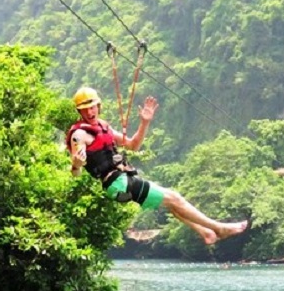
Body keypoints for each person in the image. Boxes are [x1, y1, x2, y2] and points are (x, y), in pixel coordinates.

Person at [66, 86, 248, 245]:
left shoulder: (104, 127)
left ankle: (206, 233)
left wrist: (145, 122)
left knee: (172, 203)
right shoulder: (79, 135)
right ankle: (219, 228)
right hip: (116, 184)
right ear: (79, 112)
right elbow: (76, 171)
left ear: (98, 106)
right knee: (175, 198)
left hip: (124, 179)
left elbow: (133, 145)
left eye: (93, 107)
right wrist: (76, 164)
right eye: (85, 109)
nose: (90, 112)